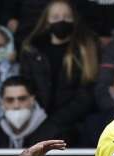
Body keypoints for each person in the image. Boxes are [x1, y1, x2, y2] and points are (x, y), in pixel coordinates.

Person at [19, 0, 99, 143]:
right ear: (47, 20)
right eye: (55, 17)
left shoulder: (86, 49)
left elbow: (86, 94)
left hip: (74, 122)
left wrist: (54, 122)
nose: (61, 21)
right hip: (36, 118)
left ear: (74, 20)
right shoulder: (32, 49)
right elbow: (27, 85)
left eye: (67, 17)